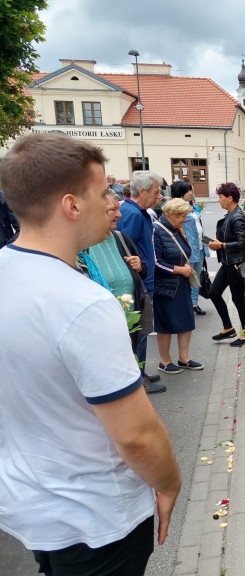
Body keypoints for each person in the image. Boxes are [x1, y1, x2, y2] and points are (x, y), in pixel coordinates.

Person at [0, 133, 181, 575]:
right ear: (72, 205)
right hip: (98, 518)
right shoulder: (83, 303)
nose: (113, 203)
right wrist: (169, 483)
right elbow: (136, 434)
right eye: (103, 193)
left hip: (30, 506)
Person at [82, 189, 155, 376]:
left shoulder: (121, 238)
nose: (119, 214)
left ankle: (140, 379)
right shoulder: (82, 247)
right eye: (113, 210)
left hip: (131, 318)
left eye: (118, 209)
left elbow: (142, 270)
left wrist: (140, 266)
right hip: (104, 325)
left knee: (134, 356)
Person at [118, 170, 165, 394]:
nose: (160, 196)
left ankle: (142, 372)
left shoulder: (139, 212)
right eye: (156, 192)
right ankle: (138, 378)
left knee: (142, 329)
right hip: (140, 281)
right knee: (140, 330)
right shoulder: (134, 214)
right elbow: (125, 249)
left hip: (144, 278)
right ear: (143, 192)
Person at [153, 198, 203, 374]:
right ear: (171, 214)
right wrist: (179, 269)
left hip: (181, 283)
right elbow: (156, 262)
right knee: (165, 324)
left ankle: (184, 358)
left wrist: (184, 267)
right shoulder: (157, 230)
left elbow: (184, 252)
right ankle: (165, 361)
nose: (185, 219)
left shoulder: (176, 229)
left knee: (187, 320)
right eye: (182, 215)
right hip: (165, 285)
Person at [207, 182, 245, 347]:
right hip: (227, 263)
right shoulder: (230, 215)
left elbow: (242, 243)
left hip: (236, 264)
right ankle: (228, 328)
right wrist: (218, 244)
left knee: (238, 299)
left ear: (230, 198)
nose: (219, 200)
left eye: (221, 197)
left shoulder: (237, 217)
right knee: (214, 293)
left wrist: (222, 245)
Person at [170, 180, 209, 315]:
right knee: (186, 278)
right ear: (180, 193)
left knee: (196, 277)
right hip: (187, 249)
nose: (191, 193)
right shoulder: (175, 209)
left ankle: (194, 303)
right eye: (188, 191)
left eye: (191, 190)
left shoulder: (193, 206)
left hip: (199, 247)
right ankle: (185, 305)